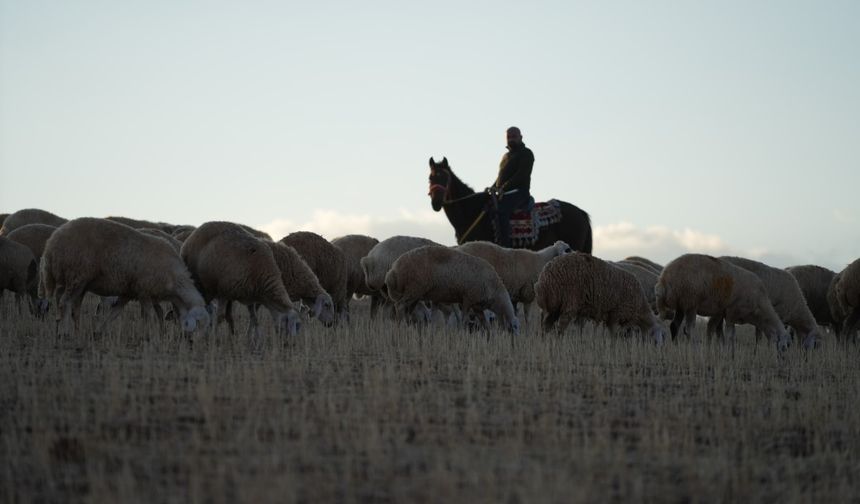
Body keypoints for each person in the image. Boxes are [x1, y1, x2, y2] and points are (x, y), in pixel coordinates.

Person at [491, 126, 534, 247]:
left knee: (502, 211)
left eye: (514, 136)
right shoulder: (506, 156)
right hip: (503, 193)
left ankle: (505, 246)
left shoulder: (527, 153)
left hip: (519, 193)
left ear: (520, 137)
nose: (511, 139)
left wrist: (503, 188)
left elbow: (521, 175)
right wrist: (493, 187)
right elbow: (501, 177)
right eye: (508, 137)